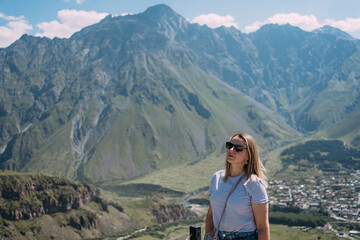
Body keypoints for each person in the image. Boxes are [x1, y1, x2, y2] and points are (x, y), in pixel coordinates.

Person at [204, 133, 270, 240]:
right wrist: (207, 235)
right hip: (218, 236)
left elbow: (262, 227)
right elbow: (211, 214)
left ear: (249, 155)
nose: (231, 150)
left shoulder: (254, 183)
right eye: (229, 145)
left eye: (238, 148)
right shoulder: (216, 177)